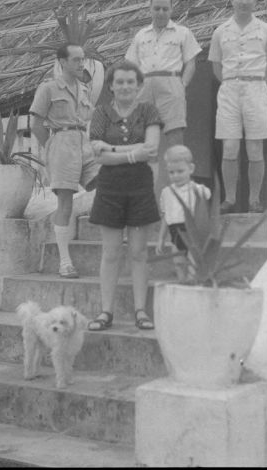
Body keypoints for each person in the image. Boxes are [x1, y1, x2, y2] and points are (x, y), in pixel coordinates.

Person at [87, 60, 162, 331]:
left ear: (139, 86)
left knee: (139, 252)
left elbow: (151, 150)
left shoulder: (148, 111)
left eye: (131, 81)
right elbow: (99, 156)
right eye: (119, 82)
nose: (125, 86)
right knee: (110, 253)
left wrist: (114, 150)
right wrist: (132, 153)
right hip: (109, 188)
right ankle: (106, 312)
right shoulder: (101, 113)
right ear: (111, 86)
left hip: (141, 186)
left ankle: (141, 311)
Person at [208, 0, 267, 214]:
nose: (243, 1)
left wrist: (255, 84)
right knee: (230, 147)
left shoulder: (266, 30)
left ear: (255, 1)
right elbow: (216, 67)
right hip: (229, 90)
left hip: (256, 89)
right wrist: (233, 84)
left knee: (254, 148)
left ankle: (254, 200)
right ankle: (229, 199)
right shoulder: (220, 31)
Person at [30, 43, 100, 278]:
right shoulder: (48, 88)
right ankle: (65, 262)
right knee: (66, 204)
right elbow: (36, 124)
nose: (82, 64)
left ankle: (111, 233)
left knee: (108, 182)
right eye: (76, 60)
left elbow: (87, 118)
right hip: (61, 143)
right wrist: (51, 147)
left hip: (84, 142)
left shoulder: (85, 89)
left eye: (83, 59)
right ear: (62, 62)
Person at [125, 0, 202, 148]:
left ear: (171, 9)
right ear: (150, 9)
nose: (161, 12)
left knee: (175, 135)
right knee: (141, 137)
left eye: (165, 9)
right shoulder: (141, 35)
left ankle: (177, 172)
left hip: (171, 85)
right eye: (157, 8)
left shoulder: (183, 33)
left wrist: (183, 84)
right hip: (144, 87)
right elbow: (131, 65)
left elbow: (191, 63)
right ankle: (146, 173)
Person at [156, 145, 211, 282]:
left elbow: (207, 197)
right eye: (171, 172)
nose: (176, 176)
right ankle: (182, 284)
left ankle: (192, 286)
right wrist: (161, 239)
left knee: (193, 264)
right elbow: (165, 217)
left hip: (192, 231)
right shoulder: (166, 192)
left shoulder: (197, 189)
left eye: (180, 171)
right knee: (178, 262)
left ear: (190, 169)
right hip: (175, 232)